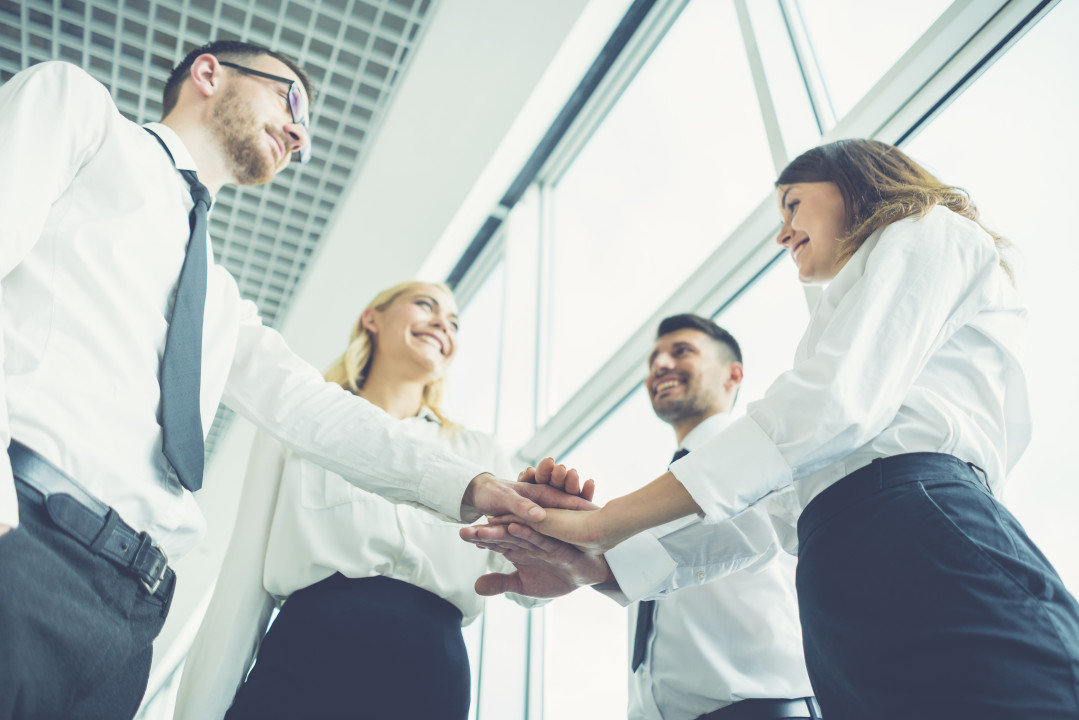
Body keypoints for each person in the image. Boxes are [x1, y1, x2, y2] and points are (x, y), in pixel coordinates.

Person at [0, 41, 585, 720]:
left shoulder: (222, 304)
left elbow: (317, 412)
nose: (300, 134)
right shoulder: (82, 116)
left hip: (126, 614)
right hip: (29, 532)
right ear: (209, 73)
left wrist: (478, 487)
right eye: (291, 98)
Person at [479, 139, 1079, 718]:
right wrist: (602, 564)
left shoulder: (931, 229)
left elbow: (834, 402)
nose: (783, 232)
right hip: (836, 576)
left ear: (854, 183)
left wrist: (605, 523)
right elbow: (772, 513)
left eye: (793, 204)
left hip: (919, 527)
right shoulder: (839, 325)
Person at [175, 281, 563, 720]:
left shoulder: (479, 454)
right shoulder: (299, 429)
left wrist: (556, 534)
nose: (443, 324)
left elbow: (527, 581)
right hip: (303, 664)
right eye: (426, 305)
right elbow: (242, 584)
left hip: (429, 681)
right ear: (372, 318)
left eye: (455, 323)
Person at [465, 314, 818, 720]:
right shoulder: (659, 498)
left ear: (732, 375)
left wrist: (593, 539)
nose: (660, 366)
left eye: (682, 351)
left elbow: (746, 531)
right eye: (654, 360)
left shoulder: (764, 456)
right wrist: (549, 536)